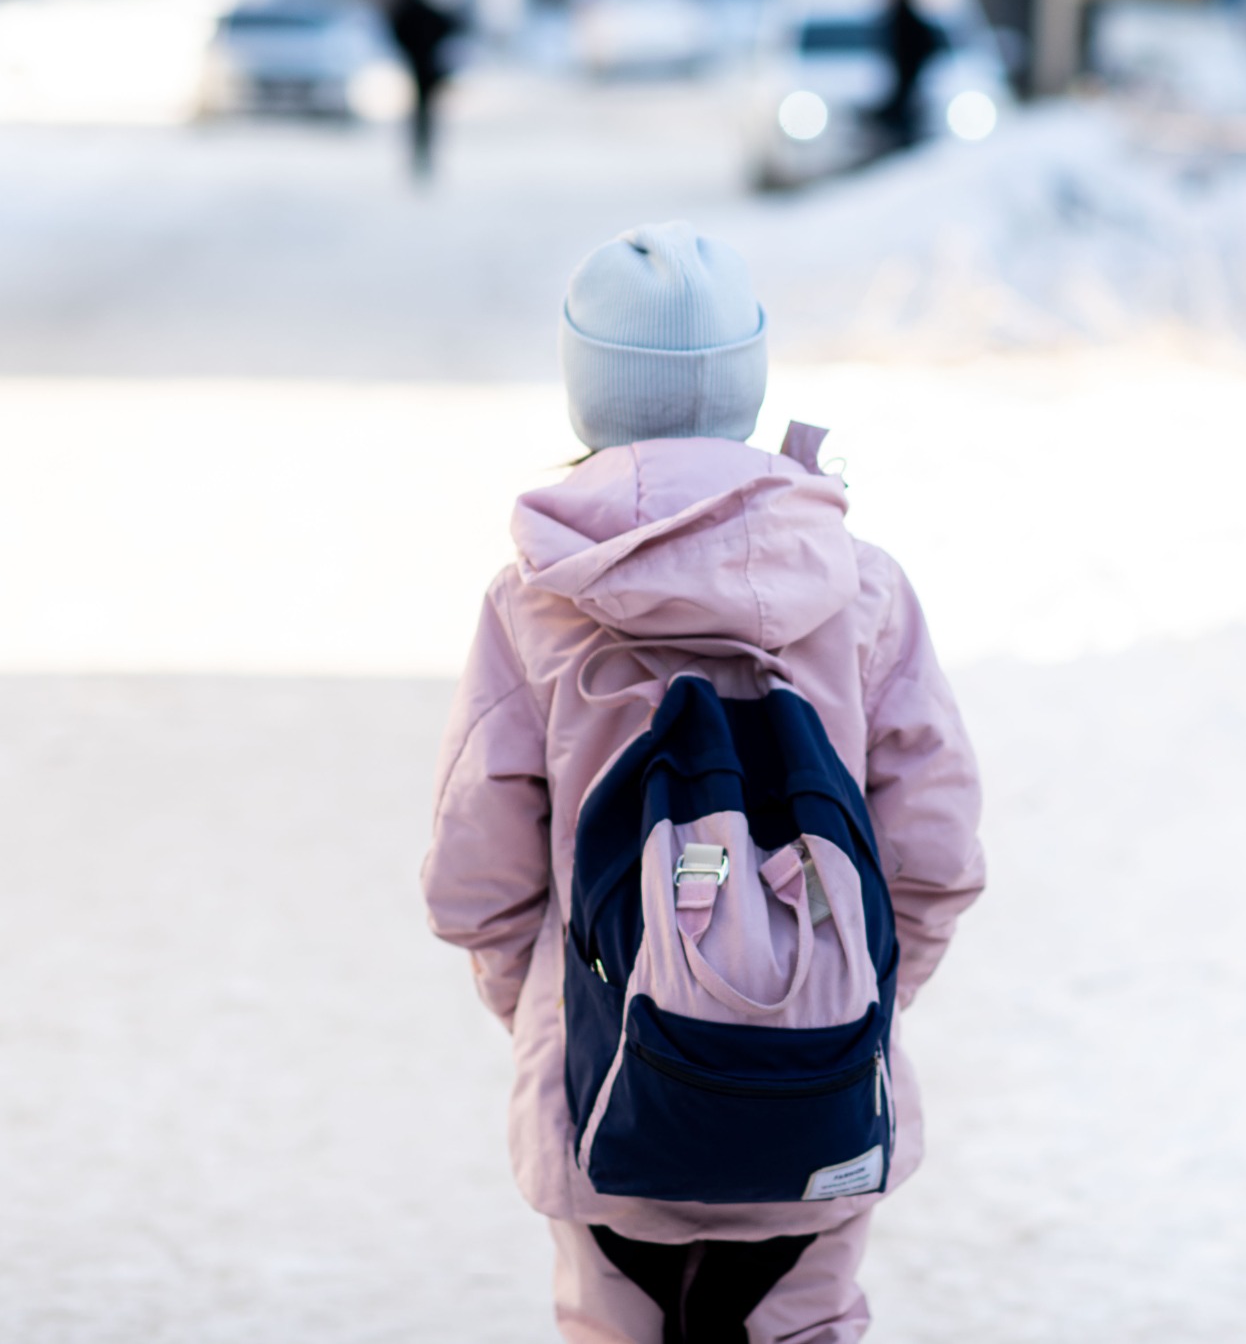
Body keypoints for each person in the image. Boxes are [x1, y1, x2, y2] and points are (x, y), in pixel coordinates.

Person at [422, 223, 987, 1344]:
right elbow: (936, 853)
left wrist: (557, 1003)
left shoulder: (534, 603)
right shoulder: (862, 590)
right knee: (804, 1325)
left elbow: (472, 876)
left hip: (604, 1099)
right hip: (821, 1094)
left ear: (588, 395)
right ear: (747, 384)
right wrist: (840, 995)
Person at [385, 0, 460, 180]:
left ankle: (421, 156)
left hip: (422, 68)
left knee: (422, 115)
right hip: (424, 68)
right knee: (423, 115)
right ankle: (421, 156)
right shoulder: (424, 13)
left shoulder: (415, 12)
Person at [872, 0, 946, 157]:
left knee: (904, 115)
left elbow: (928, 42)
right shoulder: (897, 16)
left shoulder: (904, 17)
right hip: (904, 74)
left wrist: (914, 64)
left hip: (907, 73)